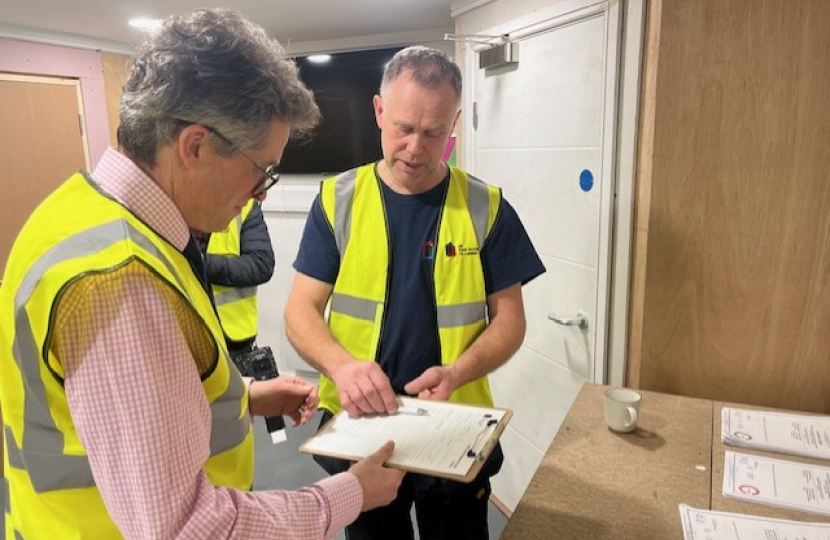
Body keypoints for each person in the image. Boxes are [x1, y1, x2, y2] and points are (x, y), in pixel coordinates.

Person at [0, 9, 403, 540]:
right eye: (264, 170)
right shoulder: (119, 281)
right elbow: (186, 528)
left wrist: (243, 399)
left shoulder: (79, 209)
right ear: (195, 147)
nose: (262, 193)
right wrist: (349, 494)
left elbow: (115, 413)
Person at [284, 46, 546, 540]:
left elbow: (510, 320)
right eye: (403, 128)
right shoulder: (337, 200)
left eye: (433, 133)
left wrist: (458, 371)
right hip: (360, 424)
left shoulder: (486, 207)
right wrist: (342, 367)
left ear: (455, 124)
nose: (415, 148)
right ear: (379, 110)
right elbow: (300, 310)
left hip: (454, 426)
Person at [193, 198, 274, 356]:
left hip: (234, 339)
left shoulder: (245, 203)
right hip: (188, 332)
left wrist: (203, 264)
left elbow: (261, 265)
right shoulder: (172, 203)